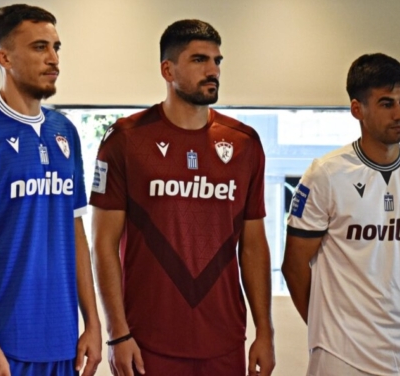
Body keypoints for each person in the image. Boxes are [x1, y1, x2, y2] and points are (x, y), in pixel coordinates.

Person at [90, 19, 276, 376]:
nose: (213, 70)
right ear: (167, 70)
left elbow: (253, 246)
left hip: (225, 340)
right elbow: (103, 244)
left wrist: (265, 332)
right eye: (199, 60)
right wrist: (117, 333)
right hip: (146, 343)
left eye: (217, 61)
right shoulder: (124, 139)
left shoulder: (245, 143)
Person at [282, 53, 400, 376]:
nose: (399, 114)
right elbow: (294, 266)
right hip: (340, 357)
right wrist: (327, 328)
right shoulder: (325, 174)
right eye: (387, 103)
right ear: (357, 109)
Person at [0, 4, 102, 376]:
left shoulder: (64, 130)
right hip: (4, 342)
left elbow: (76, 232)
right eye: (40, 47)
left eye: (56, 47)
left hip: (63, 340)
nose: (53, 58)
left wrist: (93, 323)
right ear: (4, 58)